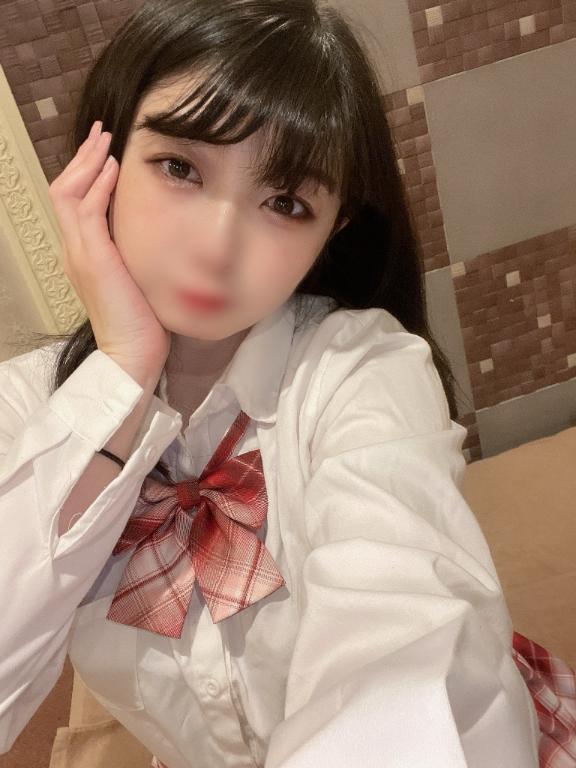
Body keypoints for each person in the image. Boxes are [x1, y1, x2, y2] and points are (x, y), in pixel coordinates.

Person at [0, 0, 544, 766]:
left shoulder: (363, 367)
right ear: (104, 159)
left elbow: (402, 648)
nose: (216, 248)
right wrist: (121, 371)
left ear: (334, 229)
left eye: (286, 203)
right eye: (180, 167)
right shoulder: (26, 405)